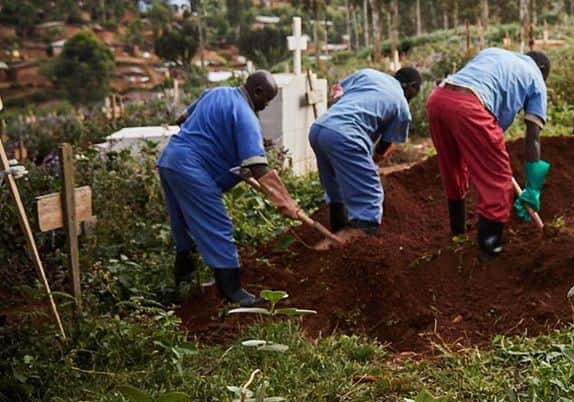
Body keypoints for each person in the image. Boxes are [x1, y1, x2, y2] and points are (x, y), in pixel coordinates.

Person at [158, 71, 303, 307]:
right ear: (256, 91)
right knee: (218, 226)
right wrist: (285, 202)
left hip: (170, 161)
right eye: (266, 99)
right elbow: (257, 166)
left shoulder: (216, 93)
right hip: (192, 170)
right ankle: (233, 293)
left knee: (183, 227)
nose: (266, 105)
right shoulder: (247, 117)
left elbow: (182, 120)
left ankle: (185, 284)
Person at [426, 47, 551, 257]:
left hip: (438, 99)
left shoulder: (493, 53)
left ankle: (458, 233)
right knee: (498, 179)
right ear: (541, 68)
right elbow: (533, 136)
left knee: (453, 168)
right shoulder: (535, 77)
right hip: (470, 107)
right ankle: (489, 252)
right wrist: (533, 187)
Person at [308, 67, 422, 239]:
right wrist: (374, 159)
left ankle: (337, 235)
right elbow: (383, 146)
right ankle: (361, 243)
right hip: (345, 135)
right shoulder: (401, 105)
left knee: (335, 189)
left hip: (320, 128)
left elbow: (337, 93)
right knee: (370, 195)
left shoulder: (369, 74)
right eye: (416, 91)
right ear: (412, 87)